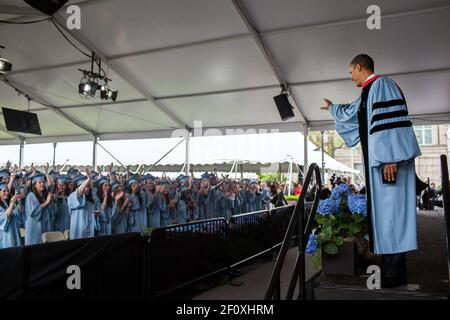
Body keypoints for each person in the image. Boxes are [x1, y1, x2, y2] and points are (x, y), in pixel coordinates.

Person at [322, 54, 421, 288]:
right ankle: (389, 271)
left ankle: (395, 274)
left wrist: (391, 158)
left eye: (350, 72)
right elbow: (351, 113)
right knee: (386, 218)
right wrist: (332, 108)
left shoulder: (383, 85)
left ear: (359, 67)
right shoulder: (368, 92)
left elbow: (391, 121)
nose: (350, 76)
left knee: (394, 216)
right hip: (379, 166)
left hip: (389, 164)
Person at [25, 173, 55, 245]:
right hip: (35, 227)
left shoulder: (45, 196)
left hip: (45, 225)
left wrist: (51, 202)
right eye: (39, 182)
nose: (42, 184)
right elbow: (34, 212)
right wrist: (47, 202)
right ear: (34, 185)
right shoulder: (31, 196)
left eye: (43, 182)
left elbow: (52, 212)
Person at [68, 171, 97, 239]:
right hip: (78, 231)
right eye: (85, 187)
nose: (86, 189)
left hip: (89, 231)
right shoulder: (72, 197)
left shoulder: (90, 202)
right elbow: (79, 191)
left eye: (88, 187)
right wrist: (88, 179)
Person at [0, 183, 24, 248]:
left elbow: (18, 212)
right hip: (5, 235)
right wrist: (12, 203)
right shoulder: (9, 203)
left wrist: (19, 202)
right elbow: (3, 217)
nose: (7, 193)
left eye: (7, 190)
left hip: (14, 231)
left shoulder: (7, 203)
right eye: (4, 191)